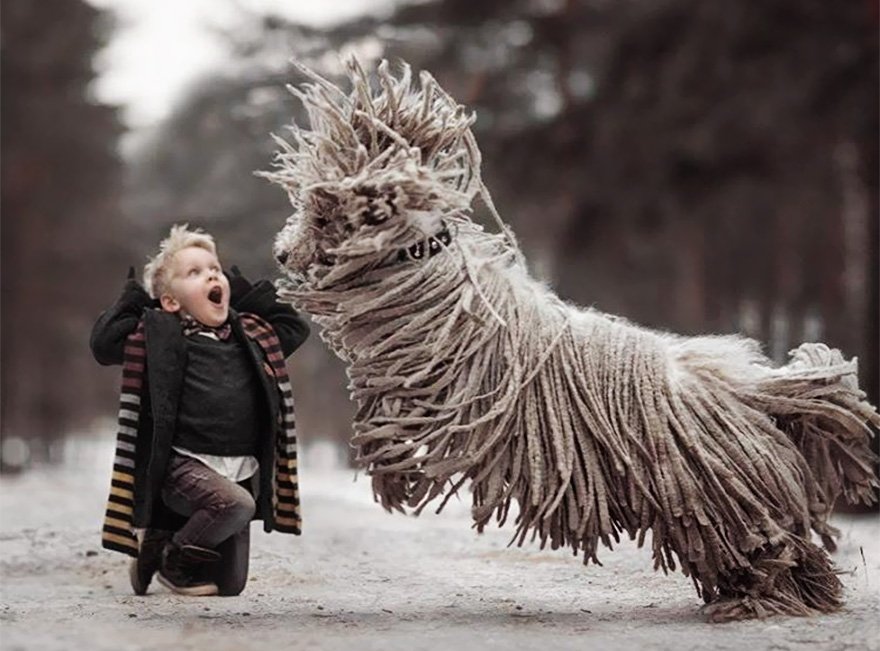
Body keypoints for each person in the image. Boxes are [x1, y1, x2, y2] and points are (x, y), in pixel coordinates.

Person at [90, 224, 309, 596]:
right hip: (182, 466)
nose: (211, 274)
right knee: (237, 506)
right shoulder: (160, 337)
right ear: (171, 302)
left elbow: (294, 326)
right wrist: (146, 299)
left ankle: (157, 542)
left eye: (215, 269)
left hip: (237, 468)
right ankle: (174, 563)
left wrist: (237, 290)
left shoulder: (251, 336)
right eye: (194, 272)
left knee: (231, 586)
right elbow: (105, 343)